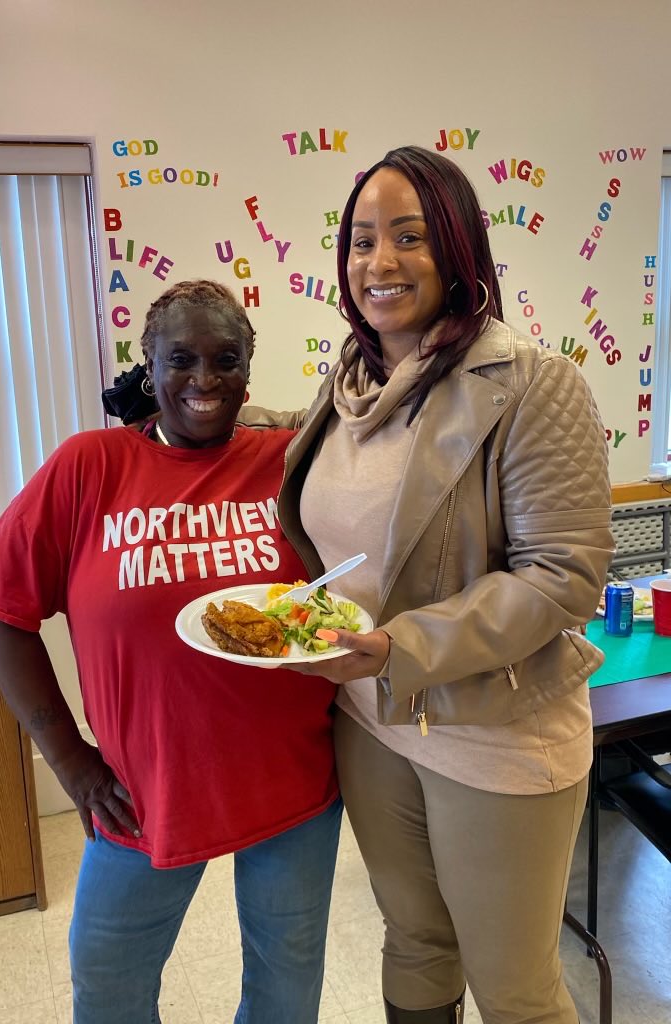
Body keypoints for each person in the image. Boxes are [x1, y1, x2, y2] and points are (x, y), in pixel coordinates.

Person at [247, 146, 614, 1023]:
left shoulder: (530, 383)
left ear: (457, 250)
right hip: (372, 724)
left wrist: (393, 649)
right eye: (362, 239)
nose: (380, 262)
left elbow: (562, 575)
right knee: (414, 942)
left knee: (516, 989)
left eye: (409, 237)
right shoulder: (349, 388)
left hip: (494, 733)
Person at [0, 280, 341, 1024]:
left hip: (293, 779)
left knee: (286, 983)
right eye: (182, 359)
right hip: (143, 791)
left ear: (250, 369)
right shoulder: (89, 467)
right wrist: (70, 759)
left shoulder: (288, 461)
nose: (204, 381)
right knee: (108, 985)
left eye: (226, 360)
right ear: (149, 364)